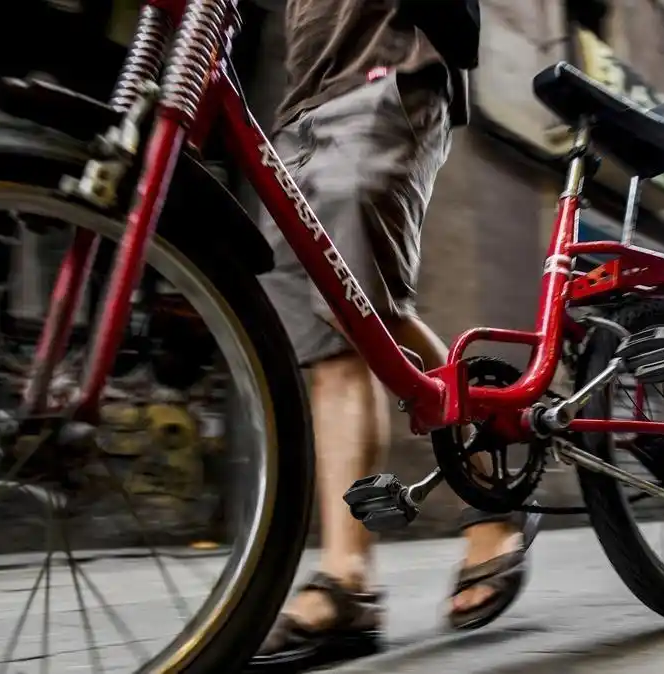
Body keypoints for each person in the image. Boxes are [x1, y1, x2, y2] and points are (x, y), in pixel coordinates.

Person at [246, 2, 537, 670]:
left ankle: (484, 506)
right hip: (299, 109)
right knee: (334, 343)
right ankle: (355, 580)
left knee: (360, 313)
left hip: (386, 73)